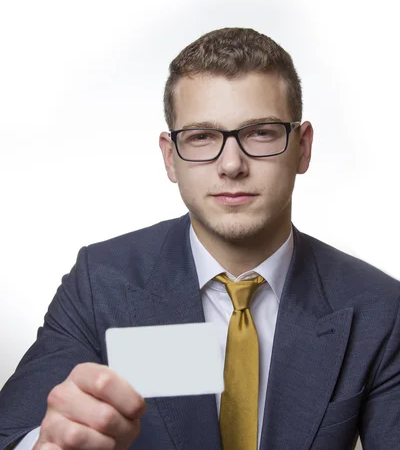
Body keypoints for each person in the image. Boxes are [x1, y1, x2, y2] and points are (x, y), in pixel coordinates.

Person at [0, 27, 399, 450]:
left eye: (260, 132)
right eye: (201, 137)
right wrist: (46, 444)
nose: (231, 164)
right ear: (171, 157)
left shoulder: (379, 309)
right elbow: (11, 435)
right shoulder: (100, 284)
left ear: (302, 148)